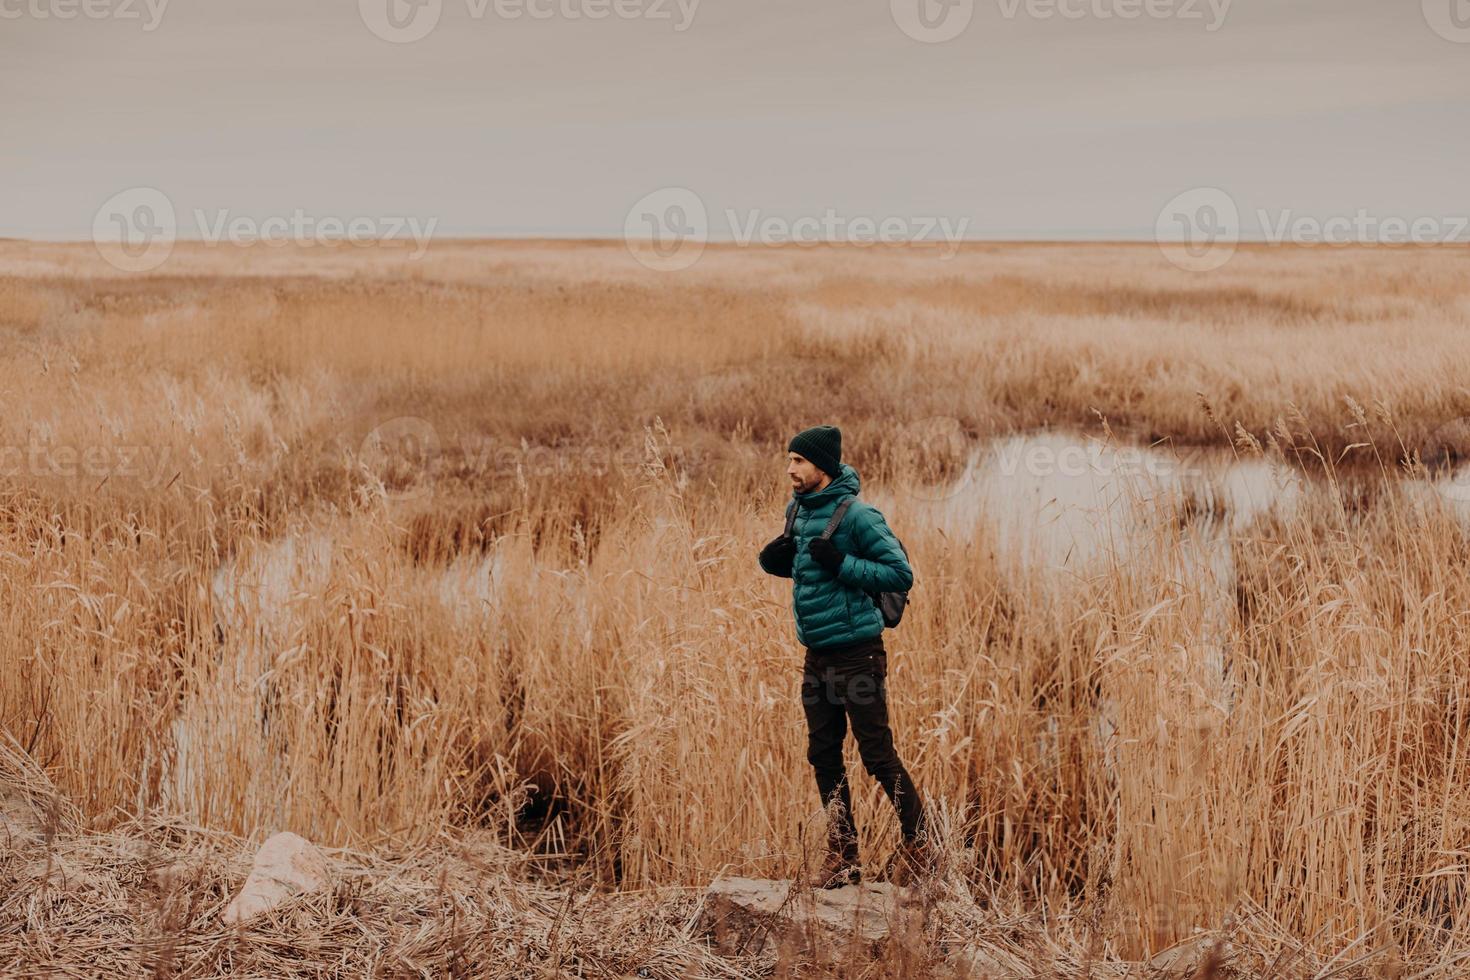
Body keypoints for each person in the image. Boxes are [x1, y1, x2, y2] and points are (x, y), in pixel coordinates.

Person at [757, 424, 934, 888]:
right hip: (816, 654)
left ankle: (922, 844)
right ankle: (844, 854)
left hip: (858, 654)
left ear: (823, 467)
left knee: (877, 755)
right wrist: (774, 560)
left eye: (798, 460)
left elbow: (900, 573)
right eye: (789, 459)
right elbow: (806, 572)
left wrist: (841, 562)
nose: (790, 468)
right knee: (822, 753)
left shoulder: (859, 516)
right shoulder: (796, 510)